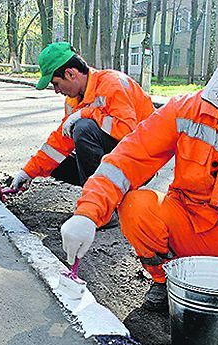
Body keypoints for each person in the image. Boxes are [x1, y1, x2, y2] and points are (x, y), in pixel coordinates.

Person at [60, 33, 218, 311]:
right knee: (137, 207)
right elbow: (126, 159)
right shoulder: (185, 109)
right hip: (186, 220)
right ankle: (165, 281)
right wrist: (87, 213)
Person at [10, 42, 155, 228]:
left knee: (83, 128)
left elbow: (127, 131)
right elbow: (59, 142)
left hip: (140, 163)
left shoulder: (112, 84)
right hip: (117, 161)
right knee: (55, 163)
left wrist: (87, 113)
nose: (56, 90)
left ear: (70, 74)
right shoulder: (73, 99)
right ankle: (105, 196)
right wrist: (28, 172)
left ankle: (102, 210)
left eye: (56, 83)